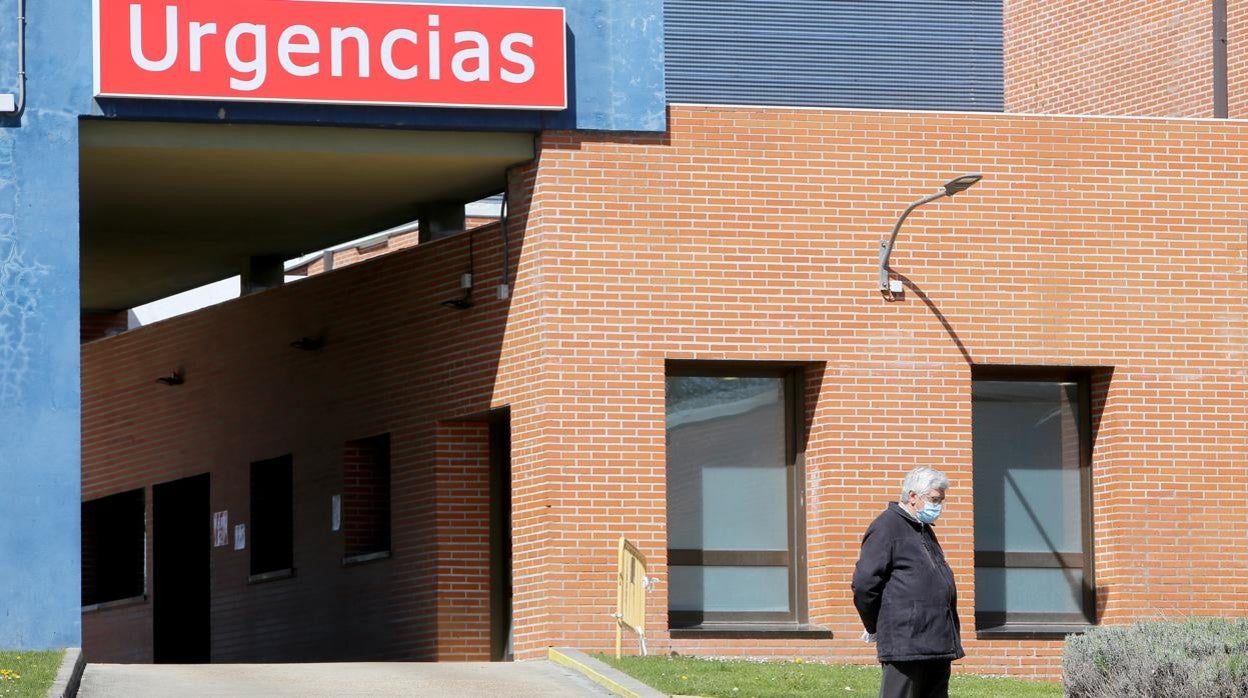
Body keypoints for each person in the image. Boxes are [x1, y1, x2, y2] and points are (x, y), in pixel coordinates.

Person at [851, 466, 963, 698]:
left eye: (941, 500)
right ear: (913, 496)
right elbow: (864, 584)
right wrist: (874, 626)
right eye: (934, 499)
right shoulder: (886, 527)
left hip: (937, 641)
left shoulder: (923, 530)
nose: (938, 506)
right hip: (906, 642)